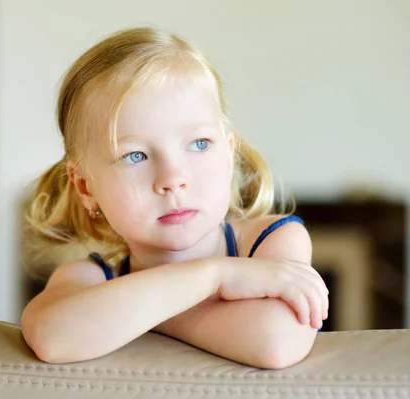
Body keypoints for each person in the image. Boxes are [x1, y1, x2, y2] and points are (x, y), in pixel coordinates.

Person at [20, 26, 329, 369]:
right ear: (85, 187)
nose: (173, 179)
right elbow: (52, 338)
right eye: (135, 155)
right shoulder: (86, 277)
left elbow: (276, 342)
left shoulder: (273, 241)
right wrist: (215, 277)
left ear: (228, 156)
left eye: (198, 144)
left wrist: (140, 315)